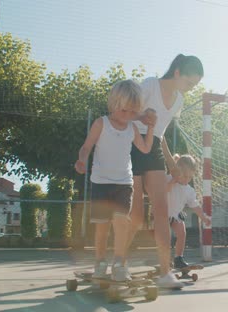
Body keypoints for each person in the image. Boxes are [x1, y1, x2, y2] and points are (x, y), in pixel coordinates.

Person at [127, 54, 204, 288]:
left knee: (161, 209)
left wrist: (171, 163)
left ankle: (164, 272)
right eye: (190, 83)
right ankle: (118, 263)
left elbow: (160, 135)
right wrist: (143, 117)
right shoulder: (150, 84)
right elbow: (126, 114)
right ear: (178, 72)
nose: (190, 89)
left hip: (154, 147)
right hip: (131, 143)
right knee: (137, 213)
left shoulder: (179, 100)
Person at [74, 79, 156, 282]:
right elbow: (86, 147)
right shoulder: (101, 123)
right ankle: (100, 262)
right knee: (102, 227)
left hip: (123, 184)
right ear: (114, 104)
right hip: (101, 183)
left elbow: (145, 148)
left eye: (132, 112)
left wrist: (151, 127)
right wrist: (82, 160)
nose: (128, 116)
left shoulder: (132, 128)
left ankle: (119, 263)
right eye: (124, 111)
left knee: (121, 223)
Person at [165, 153, 211, 269]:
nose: (187, 180)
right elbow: (163, 192)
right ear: (177, 171)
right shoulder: (168, 179)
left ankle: (178, 258)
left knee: (182, 233)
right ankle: (164, 259)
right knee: (165, 237)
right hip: (163, 213)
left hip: (176, 214)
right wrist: (172, 181)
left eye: (190, 177)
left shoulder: (189, 190)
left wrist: (203, 217)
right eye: (184, 176)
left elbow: (195, 206)